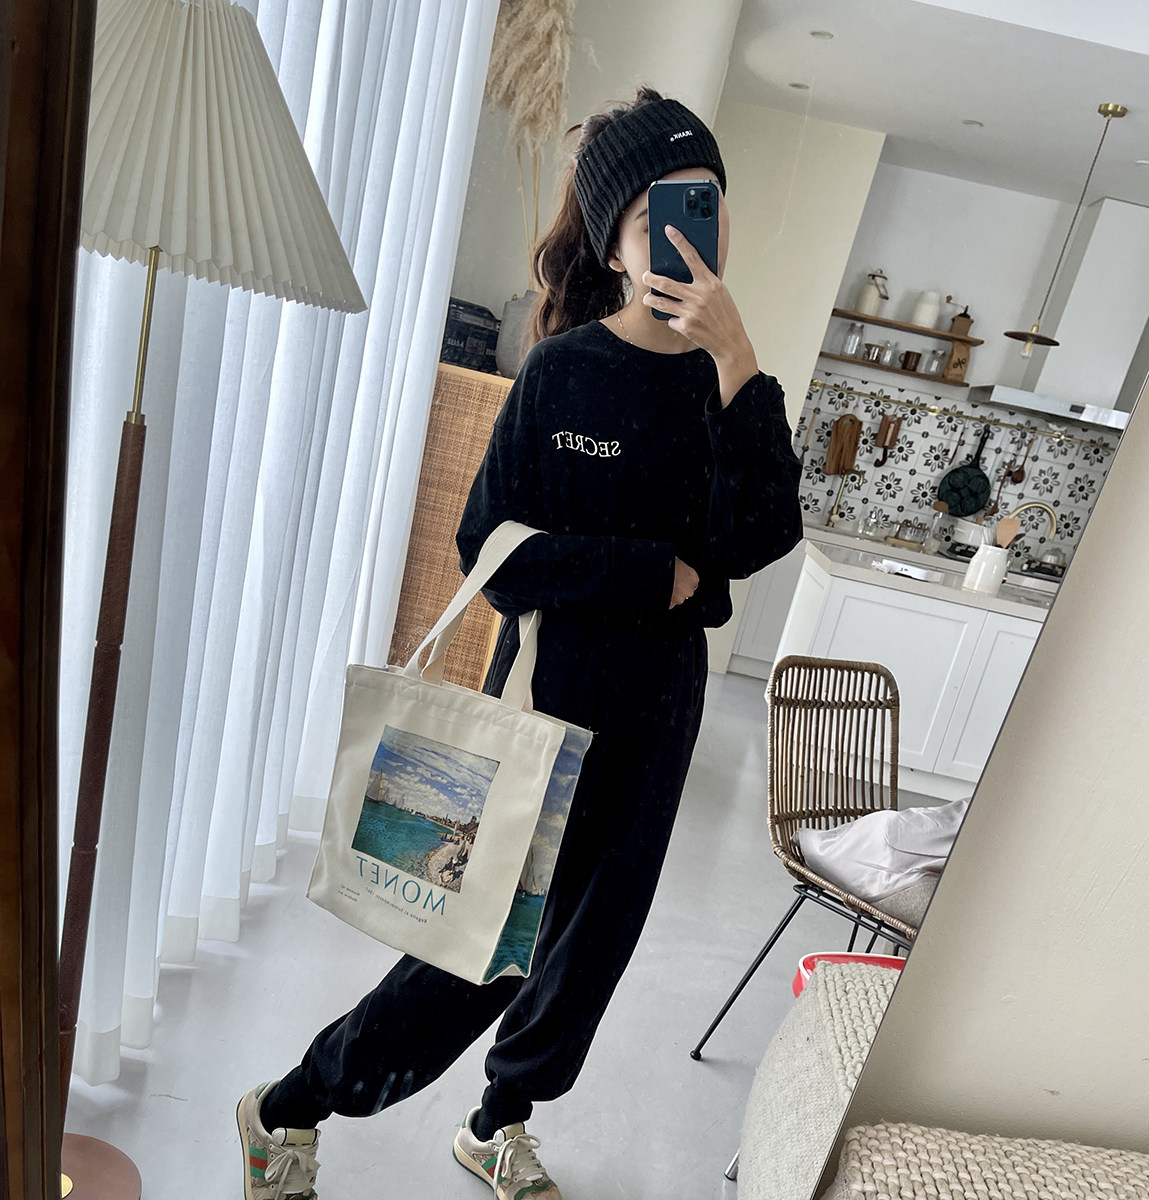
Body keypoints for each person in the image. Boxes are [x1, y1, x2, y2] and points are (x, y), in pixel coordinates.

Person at [237, 86, 804, 1200]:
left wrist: (739, 361)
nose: (694, 230)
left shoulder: (730, 385)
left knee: (591, 945)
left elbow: (763, 537)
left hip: (663, 705)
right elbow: (488, 547)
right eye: (661, 211)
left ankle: (498, 1121)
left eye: (708, 201)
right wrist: (650, 573)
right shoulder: (561, 373)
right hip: (551, 692)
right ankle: (290, 1104)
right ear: (614, 241)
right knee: (481, 944)